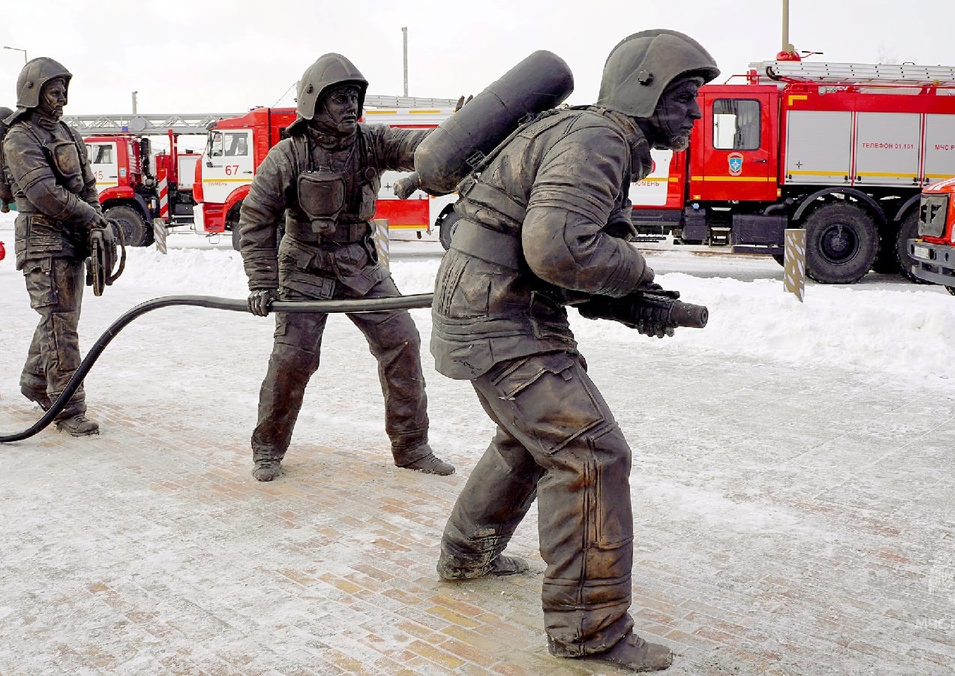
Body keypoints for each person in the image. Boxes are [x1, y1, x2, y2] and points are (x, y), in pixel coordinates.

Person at [429, 30, 719, 671]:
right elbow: (559, 247)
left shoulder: (590, 134)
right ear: (645, 91)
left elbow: (565, 262)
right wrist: (637, 272)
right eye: (687, 98)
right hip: (500, 318)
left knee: (532, 437)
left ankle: (465, 554)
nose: (696, 115)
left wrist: (633, 302)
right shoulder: (600, 140)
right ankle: (591, 631)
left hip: (492, 307)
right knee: (591, 453)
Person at [237, 53, 454, 481]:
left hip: (361, 267)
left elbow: (418, 148)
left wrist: (457, 135)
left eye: (354, 97)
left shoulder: (371, 142)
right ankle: (268, 448)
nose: (350, 106)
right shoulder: (287, 155)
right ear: (314, 103)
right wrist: (262, 281)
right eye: (339, 98)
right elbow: (256, 218)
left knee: (403, 341)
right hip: (303, 272)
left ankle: (411, 445)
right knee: (292, 360)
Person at [2, 57, 117, 436]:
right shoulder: (20, 137)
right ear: (34, 92)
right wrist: (88, 217)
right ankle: (68, 407)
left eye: (64, 89)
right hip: (42, 242)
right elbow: (44, 194)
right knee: (60, 323)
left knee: (61, 320)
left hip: (69, 241)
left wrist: (96, 221)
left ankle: (36, 381)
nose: (62, 96)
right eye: (54, 90)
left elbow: (86, 186)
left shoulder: (66, 130)